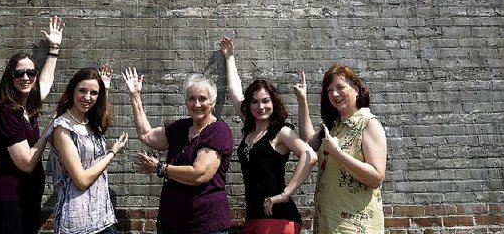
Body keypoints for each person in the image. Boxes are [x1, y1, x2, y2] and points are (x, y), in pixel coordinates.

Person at [219, 37, 317, 234]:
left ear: (274, 103)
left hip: (279, 219)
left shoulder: (281, 131)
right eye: (254, 102)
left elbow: (310, 156)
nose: (260, 106)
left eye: (265, 101)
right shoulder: (250, 126)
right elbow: (234, 90)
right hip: (254, 216)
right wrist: (230, 57)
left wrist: (285, 194)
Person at [122, 67, 234, 234]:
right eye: (192, 99)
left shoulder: (218, 130)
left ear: (213, 102)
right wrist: (135, 96)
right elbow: (146, 134)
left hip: (205, 225)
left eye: (202, 99)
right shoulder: (181, 127)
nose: (197, 104)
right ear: (186, 101)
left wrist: (160, 168)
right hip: (171, 222)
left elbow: (200, 174)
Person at [0, 15, 65, 234]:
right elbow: (27, 162)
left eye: (31, 73)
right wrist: (50, 128)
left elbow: (46, 83)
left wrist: (54, 48)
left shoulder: (27, 106)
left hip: (28, 198)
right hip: (8, 202)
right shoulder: (6, 111)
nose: (26, 78)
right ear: (10, 78)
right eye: (19, 73)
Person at [293, 66, 387, 234]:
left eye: (340, 87)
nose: (334, 94)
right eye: (329, 90)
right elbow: (309, 142)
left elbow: (376, 178)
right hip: (327, 224)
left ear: (356, 89)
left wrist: (337, 153)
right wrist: (302, 101)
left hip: (354, 227)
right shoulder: (334, 126)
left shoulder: (368, 124)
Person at [49, 66, 128, 234]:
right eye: (82, 91)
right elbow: (81, 180)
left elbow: (102, 116)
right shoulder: (63, 128)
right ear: (72, 91)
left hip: (103, 217)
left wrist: (105, 89)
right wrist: (112, 153)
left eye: (93, 93)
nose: (87, 97)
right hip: (76, 223)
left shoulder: (89, 122)